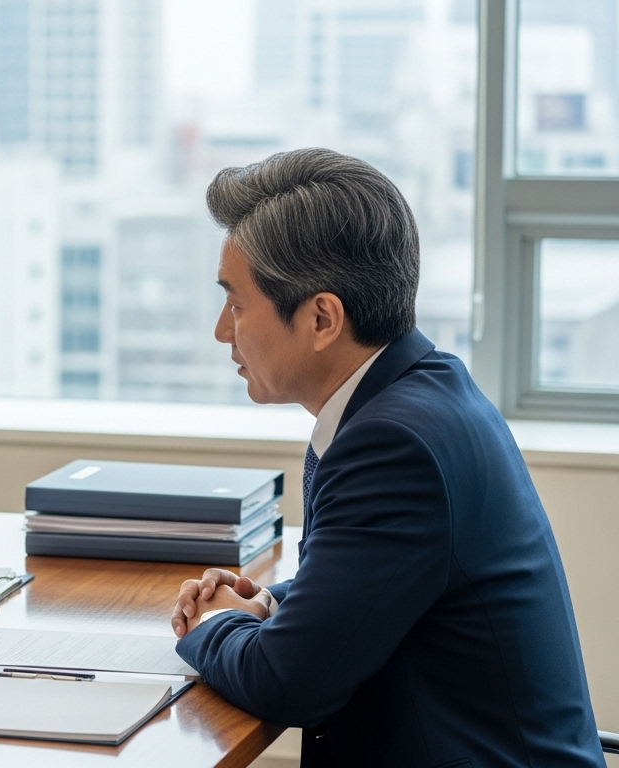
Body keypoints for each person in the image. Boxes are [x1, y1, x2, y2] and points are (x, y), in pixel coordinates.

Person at [170, 148, 605, 766]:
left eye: (237, 305)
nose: (221, 330)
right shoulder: (420, 394)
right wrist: (267, 605)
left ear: (322, 317)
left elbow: (288, 684)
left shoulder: (393, 445)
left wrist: (213, 625)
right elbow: (380, 583)